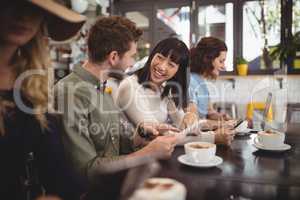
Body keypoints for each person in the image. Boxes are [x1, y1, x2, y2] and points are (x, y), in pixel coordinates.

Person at [54, 16, 180, 188]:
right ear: (113, 57)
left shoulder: (104, 87)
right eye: (132, 56)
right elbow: (85, 172)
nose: (133, 62)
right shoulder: (70, 92)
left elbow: (110, 143)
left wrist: (140, 135)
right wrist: (146, 153)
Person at [0, 0, 86, 200]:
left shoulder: (32, 83)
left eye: (35, 10)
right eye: (14, 4)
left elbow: (55, 166)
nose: (24, 16)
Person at [116, 38, 235, 146]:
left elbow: (182, 126)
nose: (162, 67)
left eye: (171, 64)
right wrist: (213, 137)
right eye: (160, 57)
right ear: (152, 55)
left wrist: (216, 124)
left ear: (178, 71)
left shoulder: (164, 89)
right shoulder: (130, 87)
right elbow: (156, 136)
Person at [189, 37, 235, 124]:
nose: (223, 66)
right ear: (208, 59)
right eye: (221, 61)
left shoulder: (201, 81)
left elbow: (209, 112)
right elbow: (193, 123)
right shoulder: (190, 82)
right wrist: (223, 124)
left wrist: (220, 117)